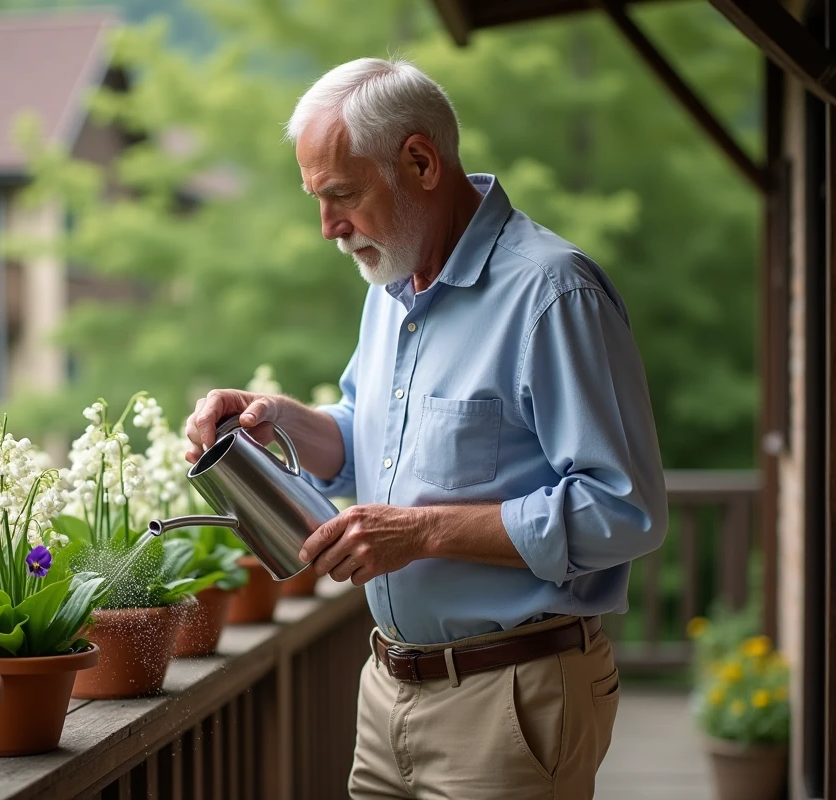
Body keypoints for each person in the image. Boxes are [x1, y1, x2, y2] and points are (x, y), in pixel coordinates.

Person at [183, 57, 667, 800]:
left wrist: (423, 532)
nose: (327, 228)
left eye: (341, 195)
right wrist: (277, 419)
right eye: (316, 199)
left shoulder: (552, 294)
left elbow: (625, 511)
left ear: (419, 161)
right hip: (385, 694)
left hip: (511, 701)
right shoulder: (390, 282)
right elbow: (362, 439)